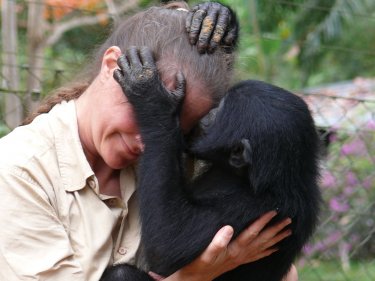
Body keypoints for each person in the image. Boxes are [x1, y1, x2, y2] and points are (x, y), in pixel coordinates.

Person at [0, 2, 296, 281]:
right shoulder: (18, 173)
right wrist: (192, 277)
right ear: (113, 65)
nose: (148, 141)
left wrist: (221, 25)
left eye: (178, 129)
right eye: (144, 109)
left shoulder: (172, 152)